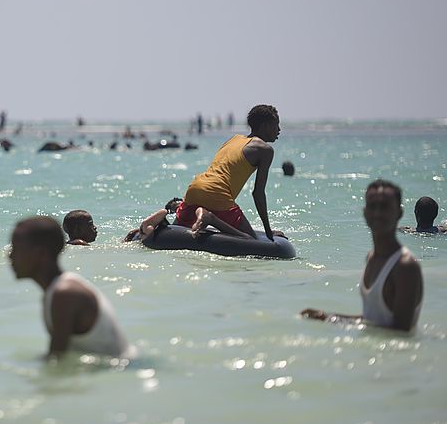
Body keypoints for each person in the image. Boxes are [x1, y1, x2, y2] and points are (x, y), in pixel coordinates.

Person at [301, 180, 423, 331]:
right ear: (365, 213)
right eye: (373, 206)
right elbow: (371, 321)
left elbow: (400, 333)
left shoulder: (405, 266)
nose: (377, 213)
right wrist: (328, 317)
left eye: (384, 207)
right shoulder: (371, 258)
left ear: (399, 213)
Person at [9, 216, 131, 358]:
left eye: (16, 249)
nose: (10, 256)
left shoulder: (64, 294)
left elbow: (56, 360)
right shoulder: (57, 290)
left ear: (41, 254)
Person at [174, 104, 284, 241]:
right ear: (265, 126)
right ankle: (210, 218)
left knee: (177, 230)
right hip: (218, 194)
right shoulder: (265, 149)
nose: (279, 130)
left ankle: (178, 209)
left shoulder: (234, 139)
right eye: (276, 124)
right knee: (250, 239)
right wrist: (268, 231)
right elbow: (258, 193)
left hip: (194, 189)